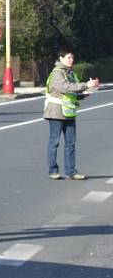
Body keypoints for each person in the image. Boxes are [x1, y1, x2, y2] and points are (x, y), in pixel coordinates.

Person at [44, 46, 100, 180]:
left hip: (69, 112)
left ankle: (71, 171)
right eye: (69, 57)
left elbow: (72, 92)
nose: (71, 60)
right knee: (54, 142)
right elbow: (65, 87)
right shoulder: (57, 73)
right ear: (61, 58)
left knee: (71, 143)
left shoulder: (71, 73)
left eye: (72, 57)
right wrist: (86, 85)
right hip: (56, 112)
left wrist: (83, 95)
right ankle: (53, 171)